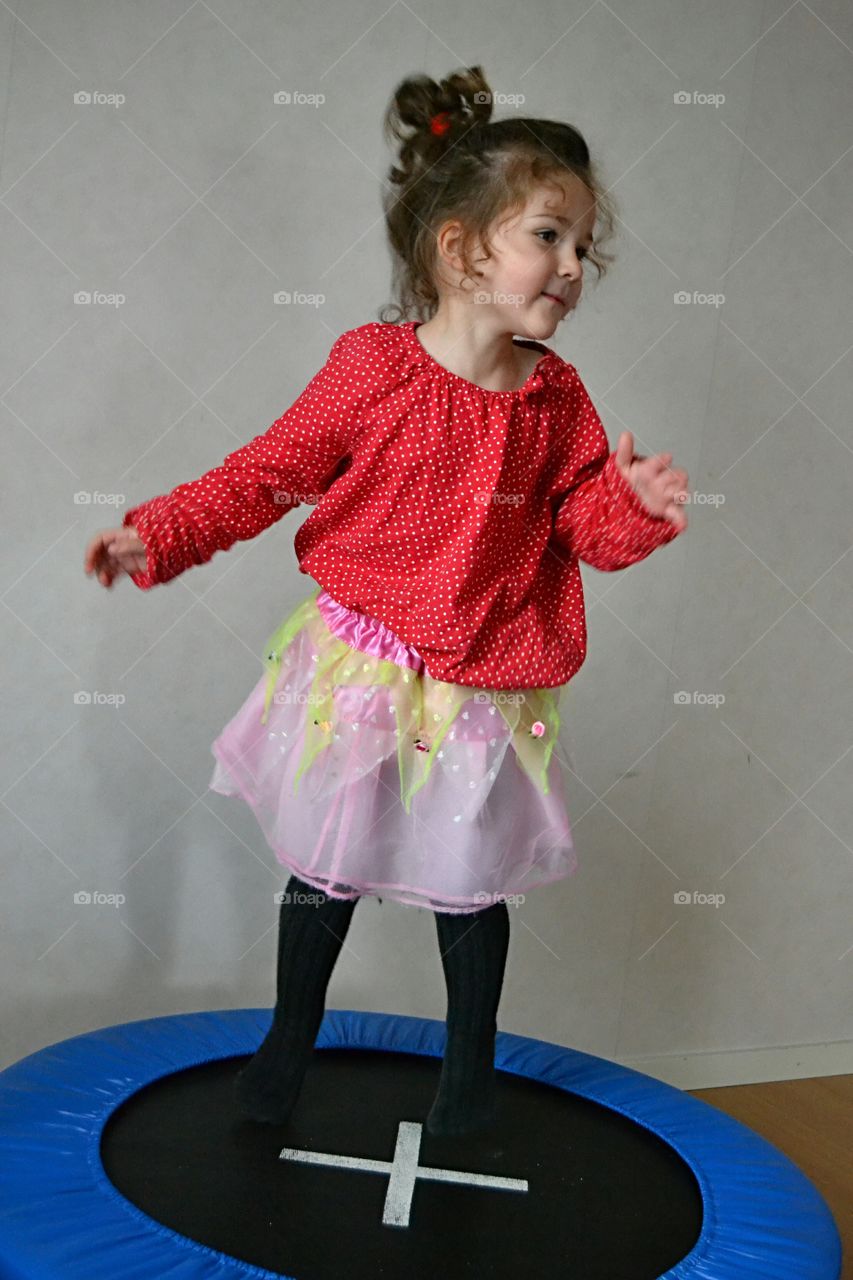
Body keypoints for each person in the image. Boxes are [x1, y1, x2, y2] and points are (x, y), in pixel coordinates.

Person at [83, 65, 688, 1138]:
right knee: (328, 863)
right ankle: (286, 1042)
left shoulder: (557, 401)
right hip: (360, 665)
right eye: (549, 234)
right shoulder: (373, 370)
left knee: (470, 882)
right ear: (461, 251)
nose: (573, 265)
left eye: (583, 245)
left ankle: (468, 1070)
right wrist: (160, 531)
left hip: (480, 677)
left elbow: (585, 532)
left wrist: (629, 508)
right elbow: (266, 472)